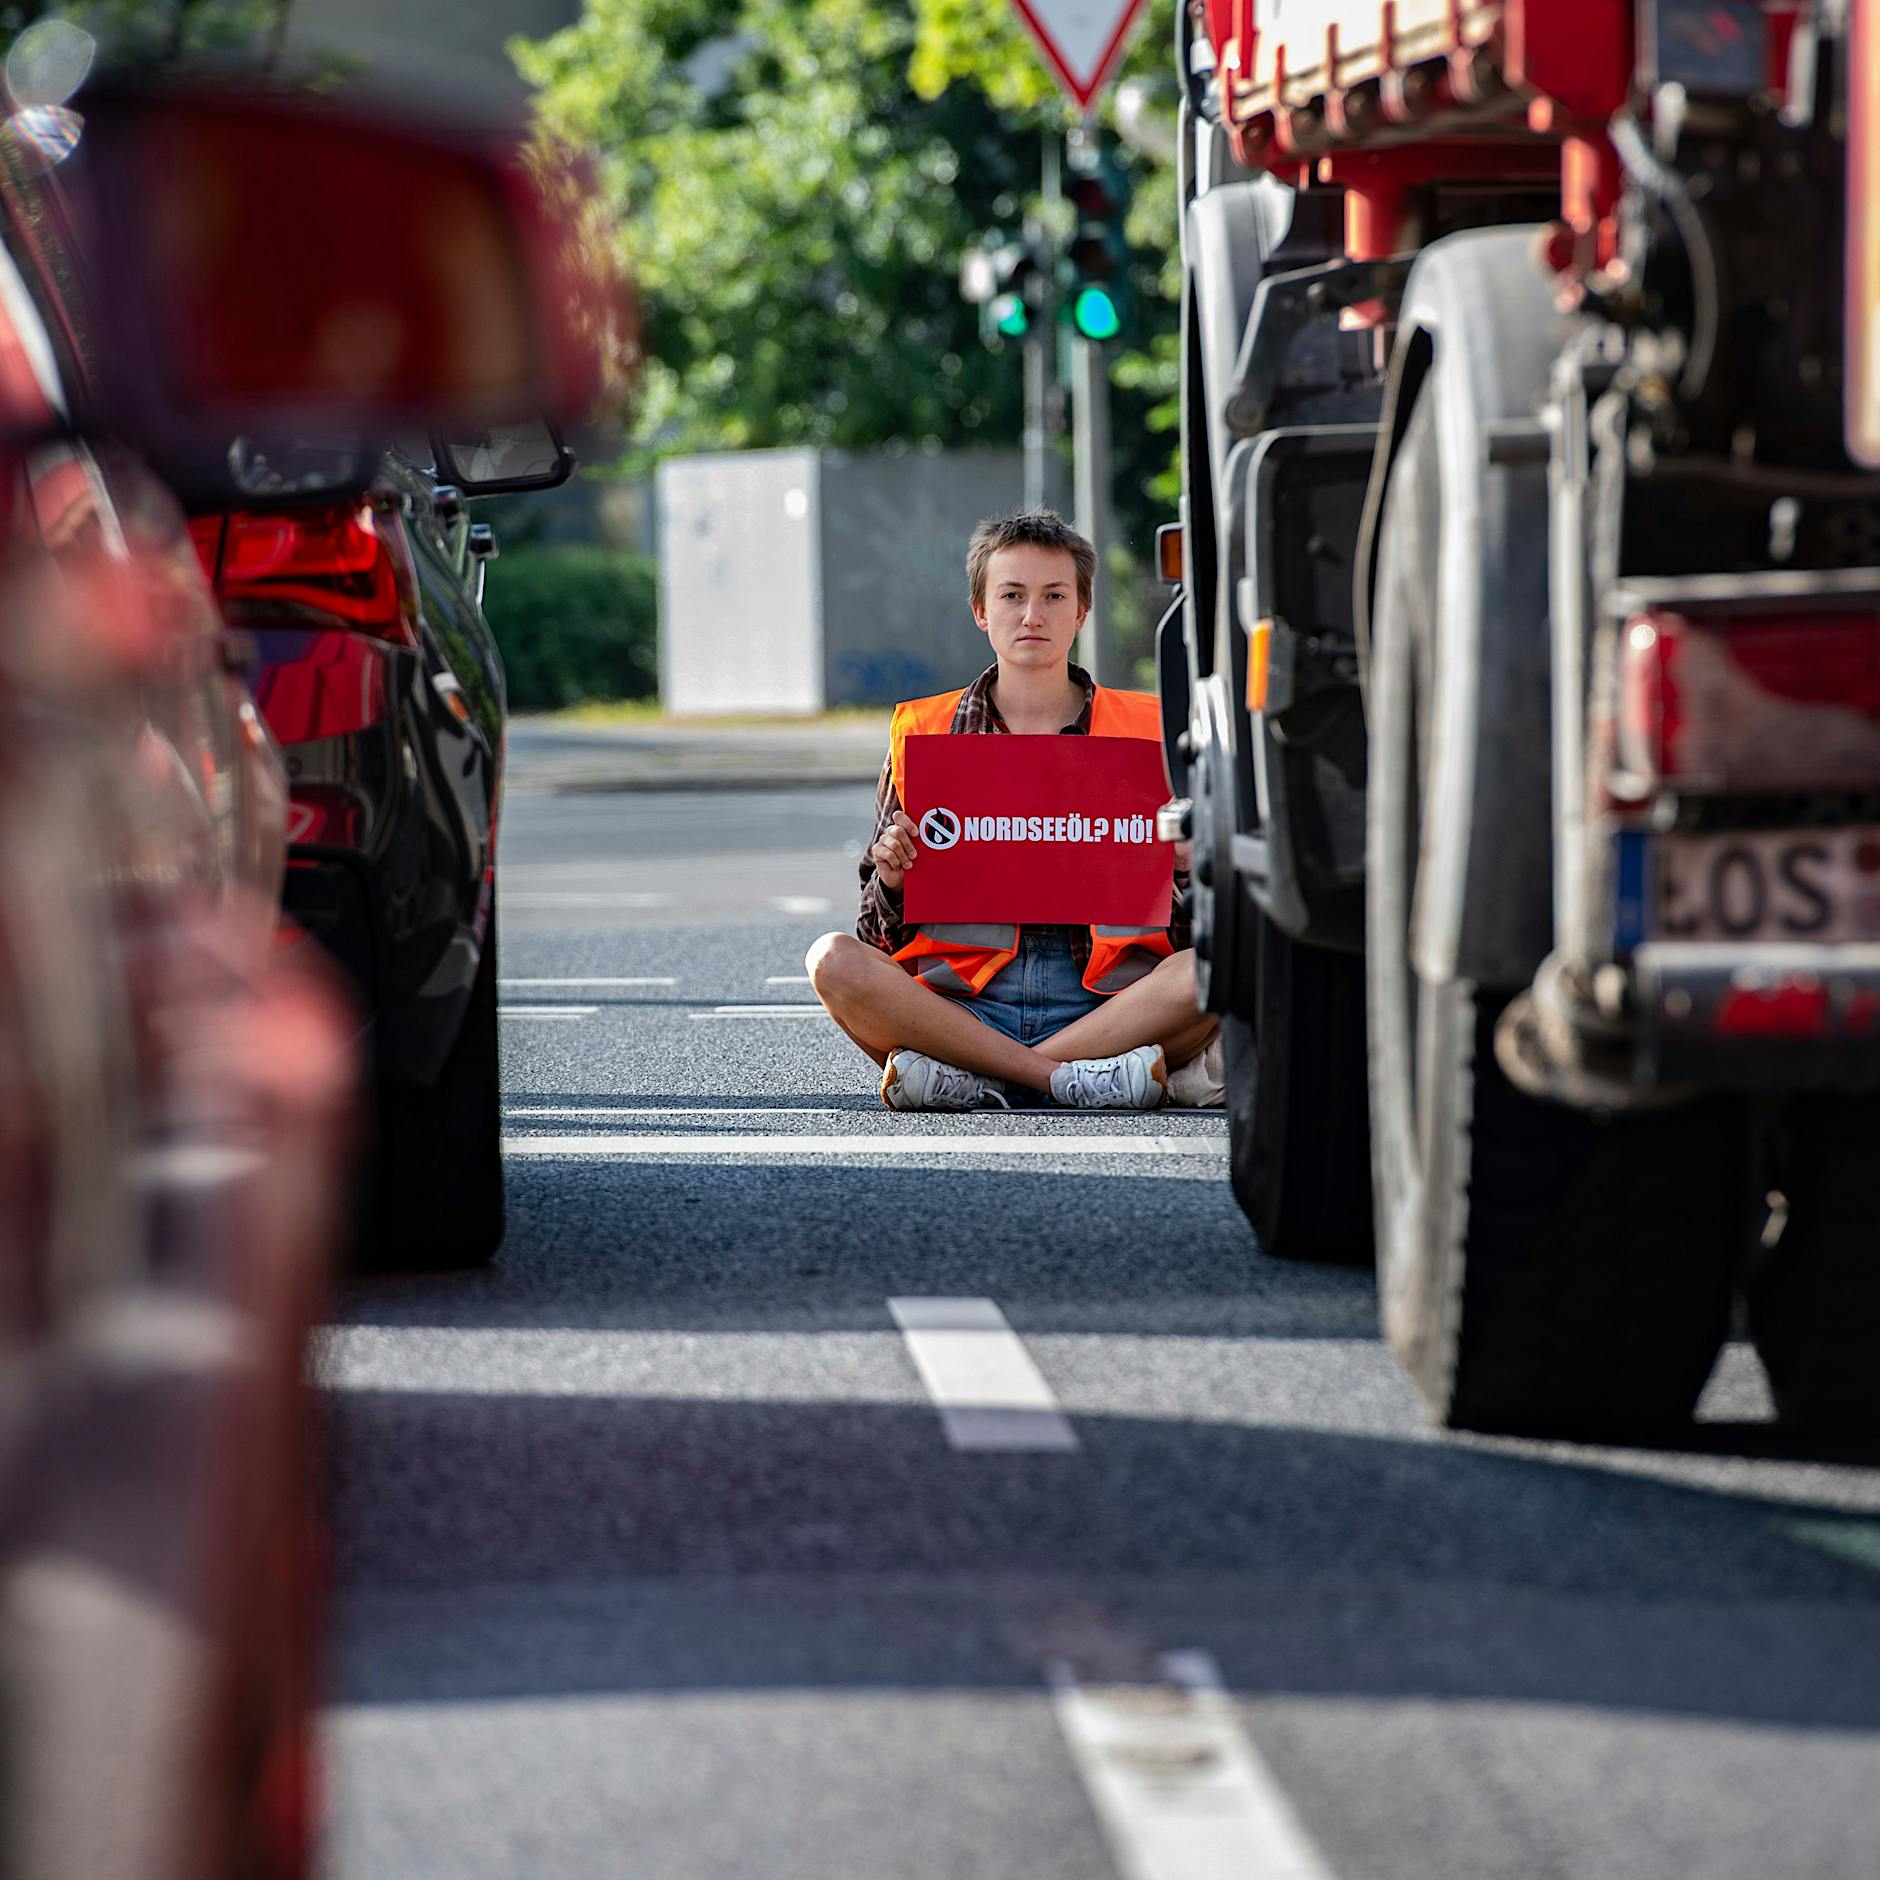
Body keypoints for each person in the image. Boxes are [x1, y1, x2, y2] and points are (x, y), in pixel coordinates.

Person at [806, 510, 1224, 1112]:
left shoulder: (1146, 730)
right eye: (1012, 595)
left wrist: (1182, 871)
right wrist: (892, 878)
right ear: (981, 611)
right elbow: (876, 938)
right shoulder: (924, 732)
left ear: (1081, 613)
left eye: (1055, 596)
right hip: (961, 1007)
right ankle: (1063, 1079)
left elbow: (1190, 932)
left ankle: (985, 1081)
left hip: (1110, 1006)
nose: (1033, 615)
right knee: (833, 960)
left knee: (1209, 969)